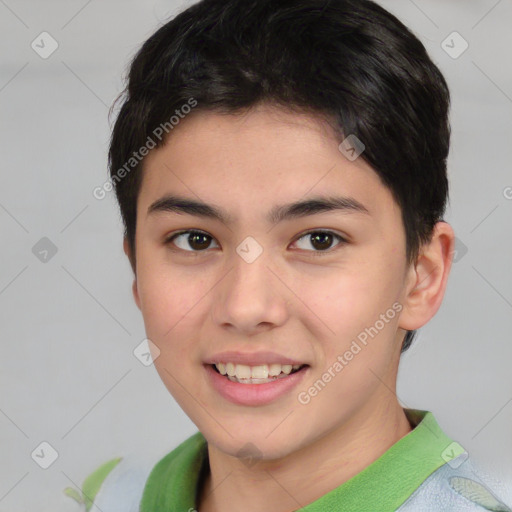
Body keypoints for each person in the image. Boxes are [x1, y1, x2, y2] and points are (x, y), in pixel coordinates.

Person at [64, 0, 512, 510]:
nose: (246, 308)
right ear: (138, 272)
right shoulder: (106, 498)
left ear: (422, 277)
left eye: (319, 240)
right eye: (195, 239)